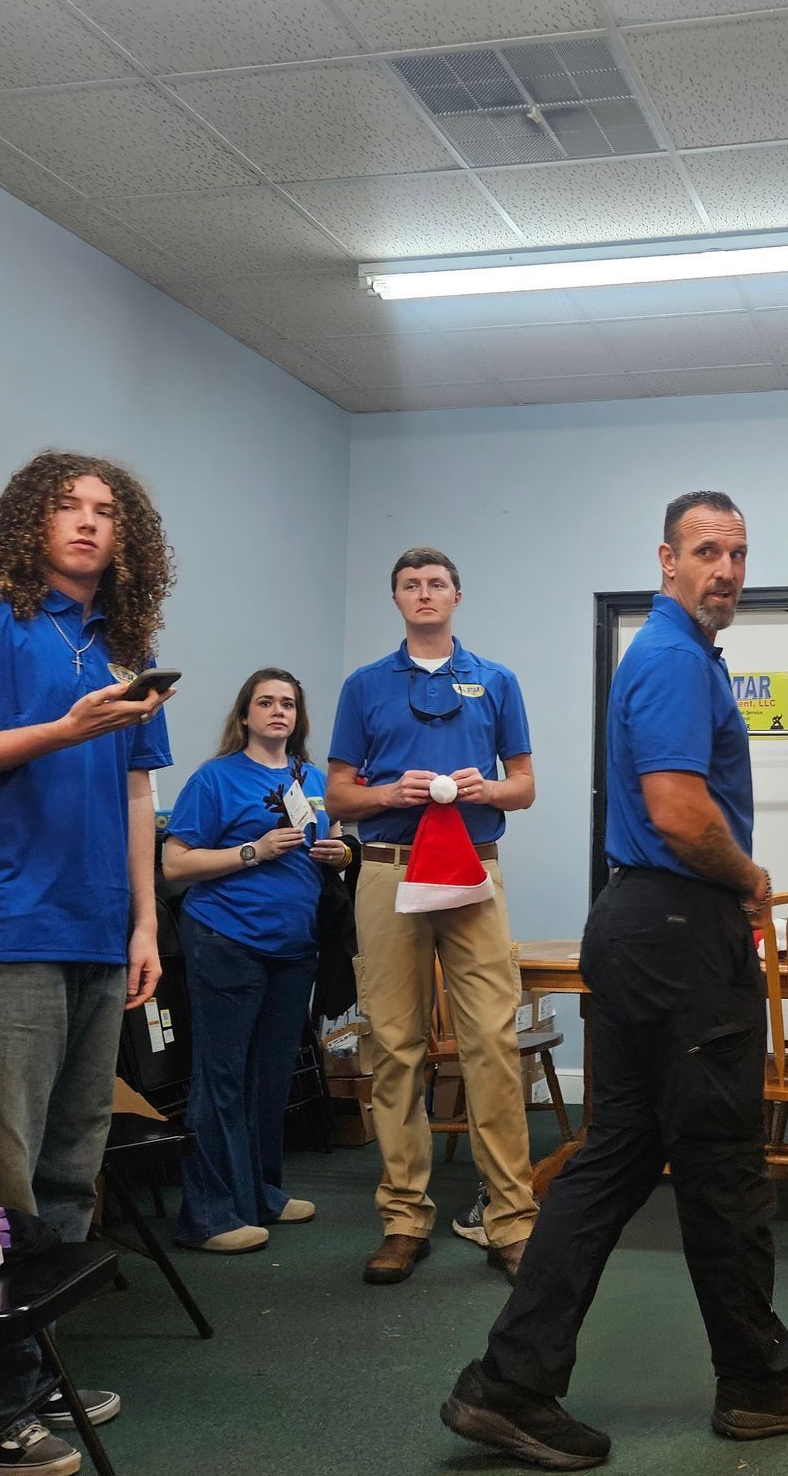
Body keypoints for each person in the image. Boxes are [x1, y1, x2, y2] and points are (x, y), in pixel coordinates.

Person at [440, 491, 788, 1471]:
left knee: (616, 1155)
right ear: (665, 559)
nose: (726, 569)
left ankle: (512, 1382)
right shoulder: (674, 657)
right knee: (719, 1163)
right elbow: (677, 812)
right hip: (677, 927)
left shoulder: (679, 655)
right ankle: (757, 1381)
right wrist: (752, 876)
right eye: (706, 550)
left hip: (643, 922)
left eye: (740, 553)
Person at [0, 451, 175, 1476]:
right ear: (29, 520)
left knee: (66, 1175)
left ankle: (22, 1379)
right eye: (68, 505)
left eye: (108, 511)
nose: (89, 523)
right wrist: (60, 729)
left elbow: (141, 791)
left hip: (99, 935)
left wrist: (146, 925)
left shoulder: (122, 644)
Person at [324, 547, 539, 1284]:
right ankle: (403, 1218)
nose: (425, 593)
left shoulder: (498, 681)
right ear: (397, 599)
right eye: (411, 585)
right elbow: (339, 798)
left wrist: (488, 789)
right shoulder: (364, 687)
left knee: (491, 1044)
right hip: (387, 874)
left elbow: (526, 788)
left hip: (474, 876)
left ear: (457, 594)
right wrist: (390, 794)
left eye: (436, 583)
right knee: (394, 1046)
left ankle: (511, 1220)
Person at [161, 669, 351, 1253]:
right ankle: (210, 1215)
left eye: (287, 703)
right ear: (245, 715)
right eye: (265, 702)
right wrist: (254, 850)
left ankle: (261, 1193)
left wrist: (340, 851)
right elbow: (173, 866)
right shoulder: (215, 779)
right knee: (221, 1076)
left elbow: (339, 841)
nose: (277, 712)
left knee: (270, 1078)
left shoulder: (313, 778)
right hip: (226, 939)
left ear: (299, 717)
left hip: (293, 948)